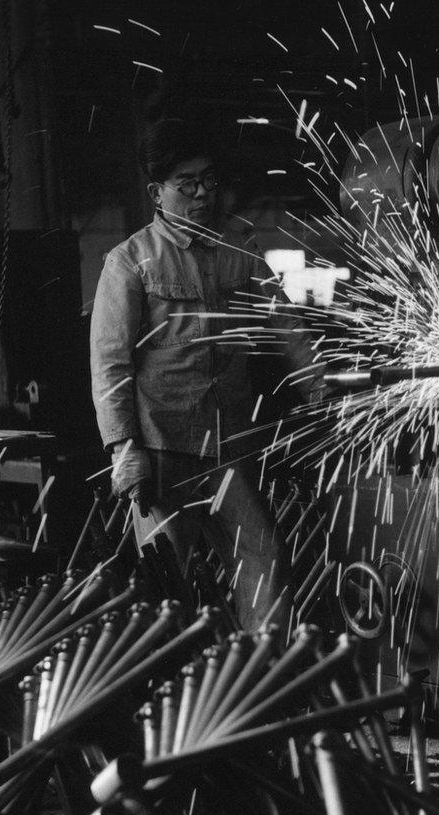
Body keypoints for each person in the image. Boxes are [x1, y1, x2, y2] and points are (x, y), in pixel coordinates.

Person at [90, 118, 324, 633]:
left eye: (208, 181)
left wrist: (320, 387)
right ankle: (178, 704)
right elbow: (110, 364)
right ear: (157, 192)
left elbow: (286, 326)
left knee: (267, 570)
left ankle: (258, 688)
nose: (202, 194)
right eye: (187, 184)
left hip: (227, 452)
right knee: (169, 594)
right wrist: (122, 450)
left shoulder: (240, 249)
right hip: (162, 455)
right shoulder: (129, 261)